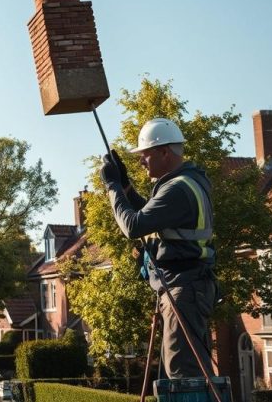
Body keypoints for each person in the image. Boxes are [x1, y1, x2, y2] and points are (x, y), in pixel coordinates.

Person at [99, 117, 217, 380]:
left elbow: (133, 225)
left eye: (145, 155)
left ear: (165, 152)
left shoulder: (177, 189)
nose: (141, 161)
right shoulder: (186, 182)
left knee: (183, 374)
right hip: (186, 286)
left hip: (184, 288)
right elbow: (151, 215)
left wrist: (112, 187)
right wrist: (126, 187)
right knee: (181, 371)